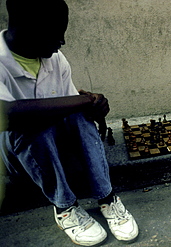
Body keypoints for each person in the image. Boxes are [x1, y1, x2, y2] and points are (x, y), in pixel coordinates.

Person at [0, 0, 139, 245]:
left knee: (77, 114)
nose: (62, 41)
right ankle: (65, 207)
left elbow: (71, 110)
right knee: (33, 124)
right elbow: (9, 115)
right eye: (55, 33)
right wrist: (84, 100)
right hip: (19, 157)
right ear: (26, 27)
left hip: (59, 152)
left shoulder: (56, 59)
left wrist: (93, 108)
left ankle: (108, 198)